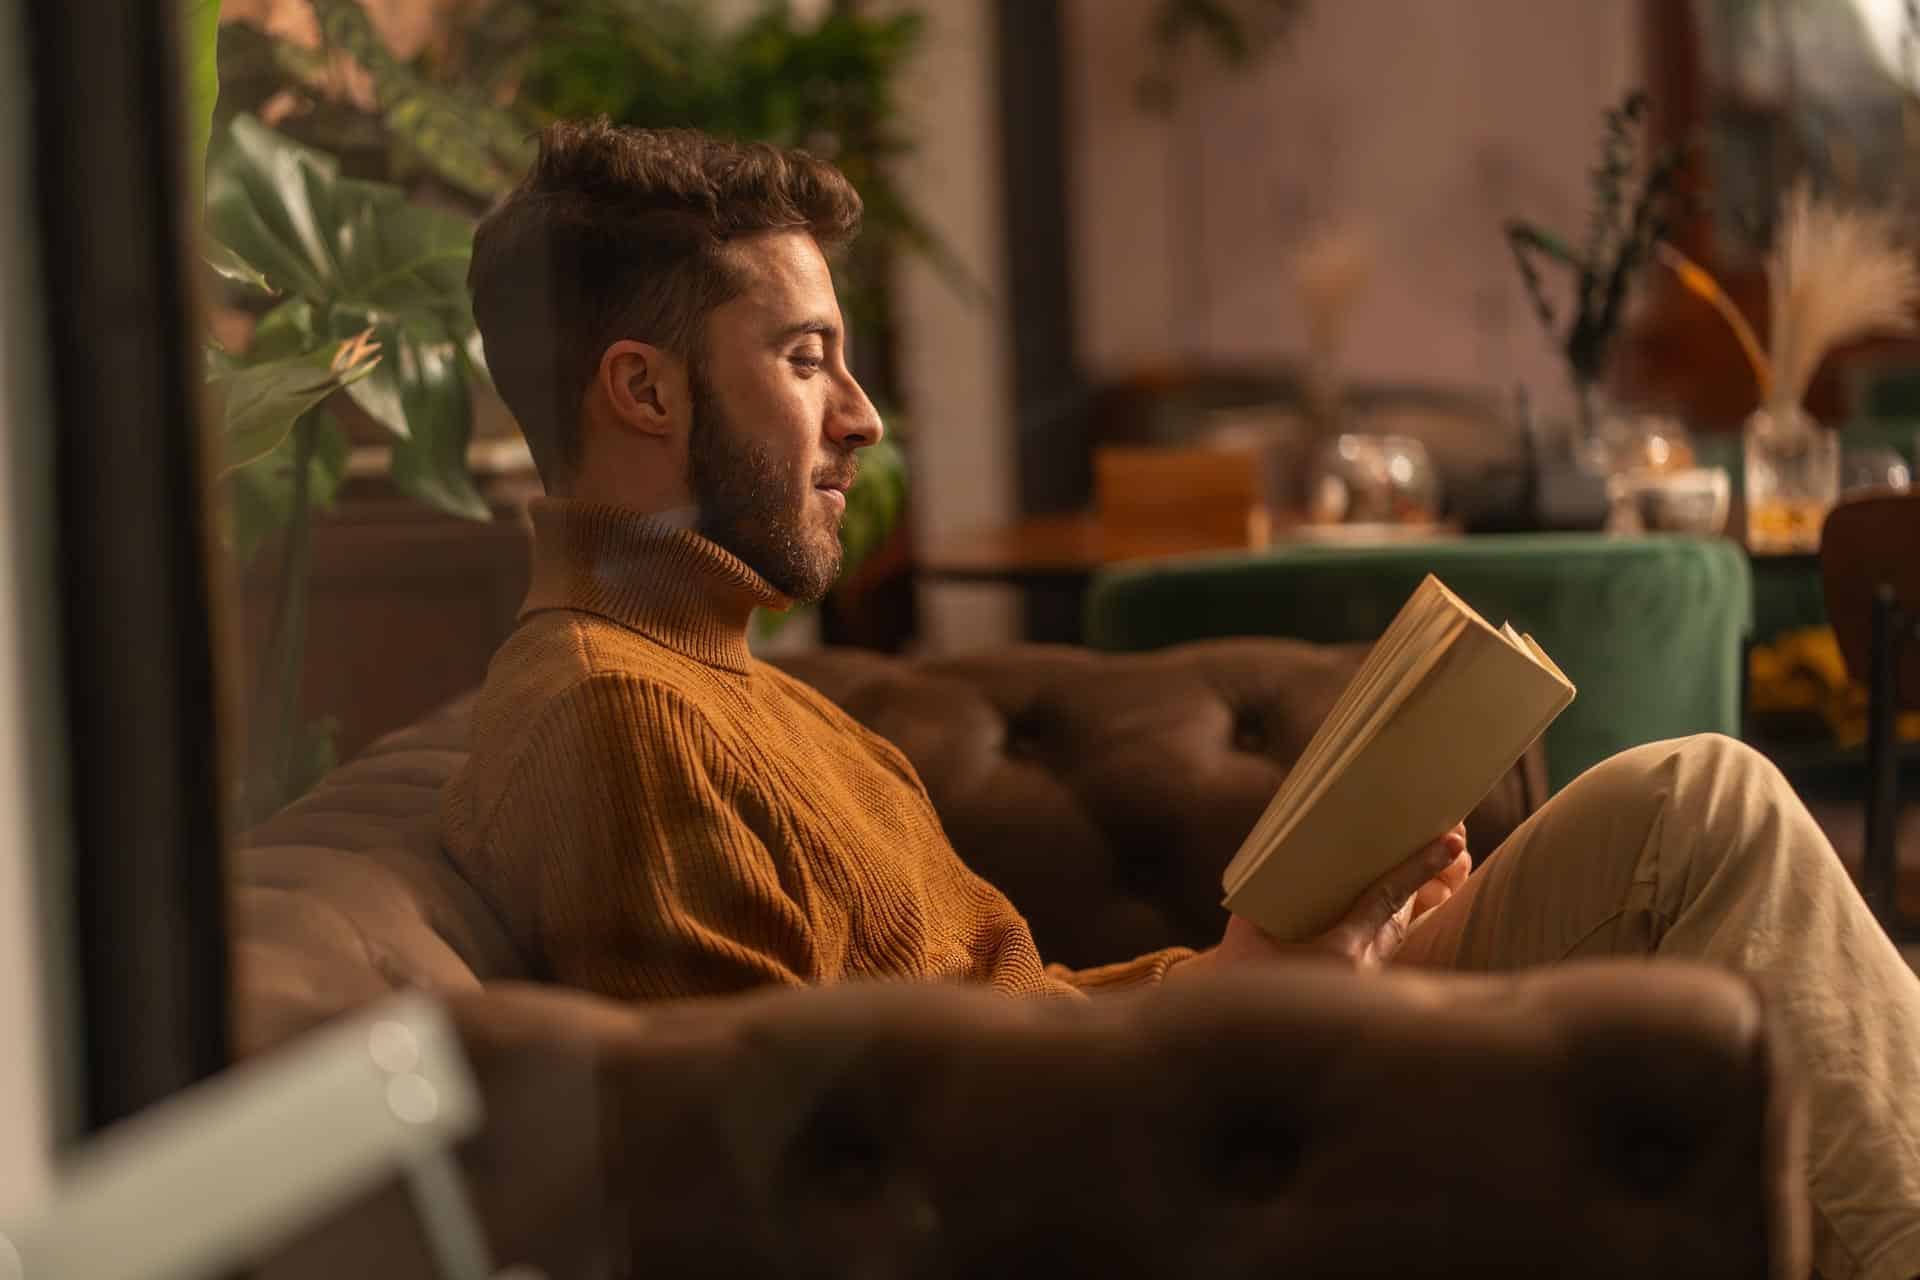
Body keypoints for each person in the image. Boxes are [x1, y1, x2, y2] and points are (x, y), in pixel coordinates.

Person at [443, 120, 1920, 1279]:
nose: (862, 417)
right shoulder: (617, 721)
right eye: (805, 356)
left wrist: (1253, 966)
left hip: (1156, 1078)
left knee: (1690, 805)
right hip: (1157, 1161)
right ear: (641, 391)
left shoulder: (738, 678)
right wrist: (1244, 1008)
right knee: (1705, 816)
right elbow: (832, 1179)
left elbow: (983, 1028)